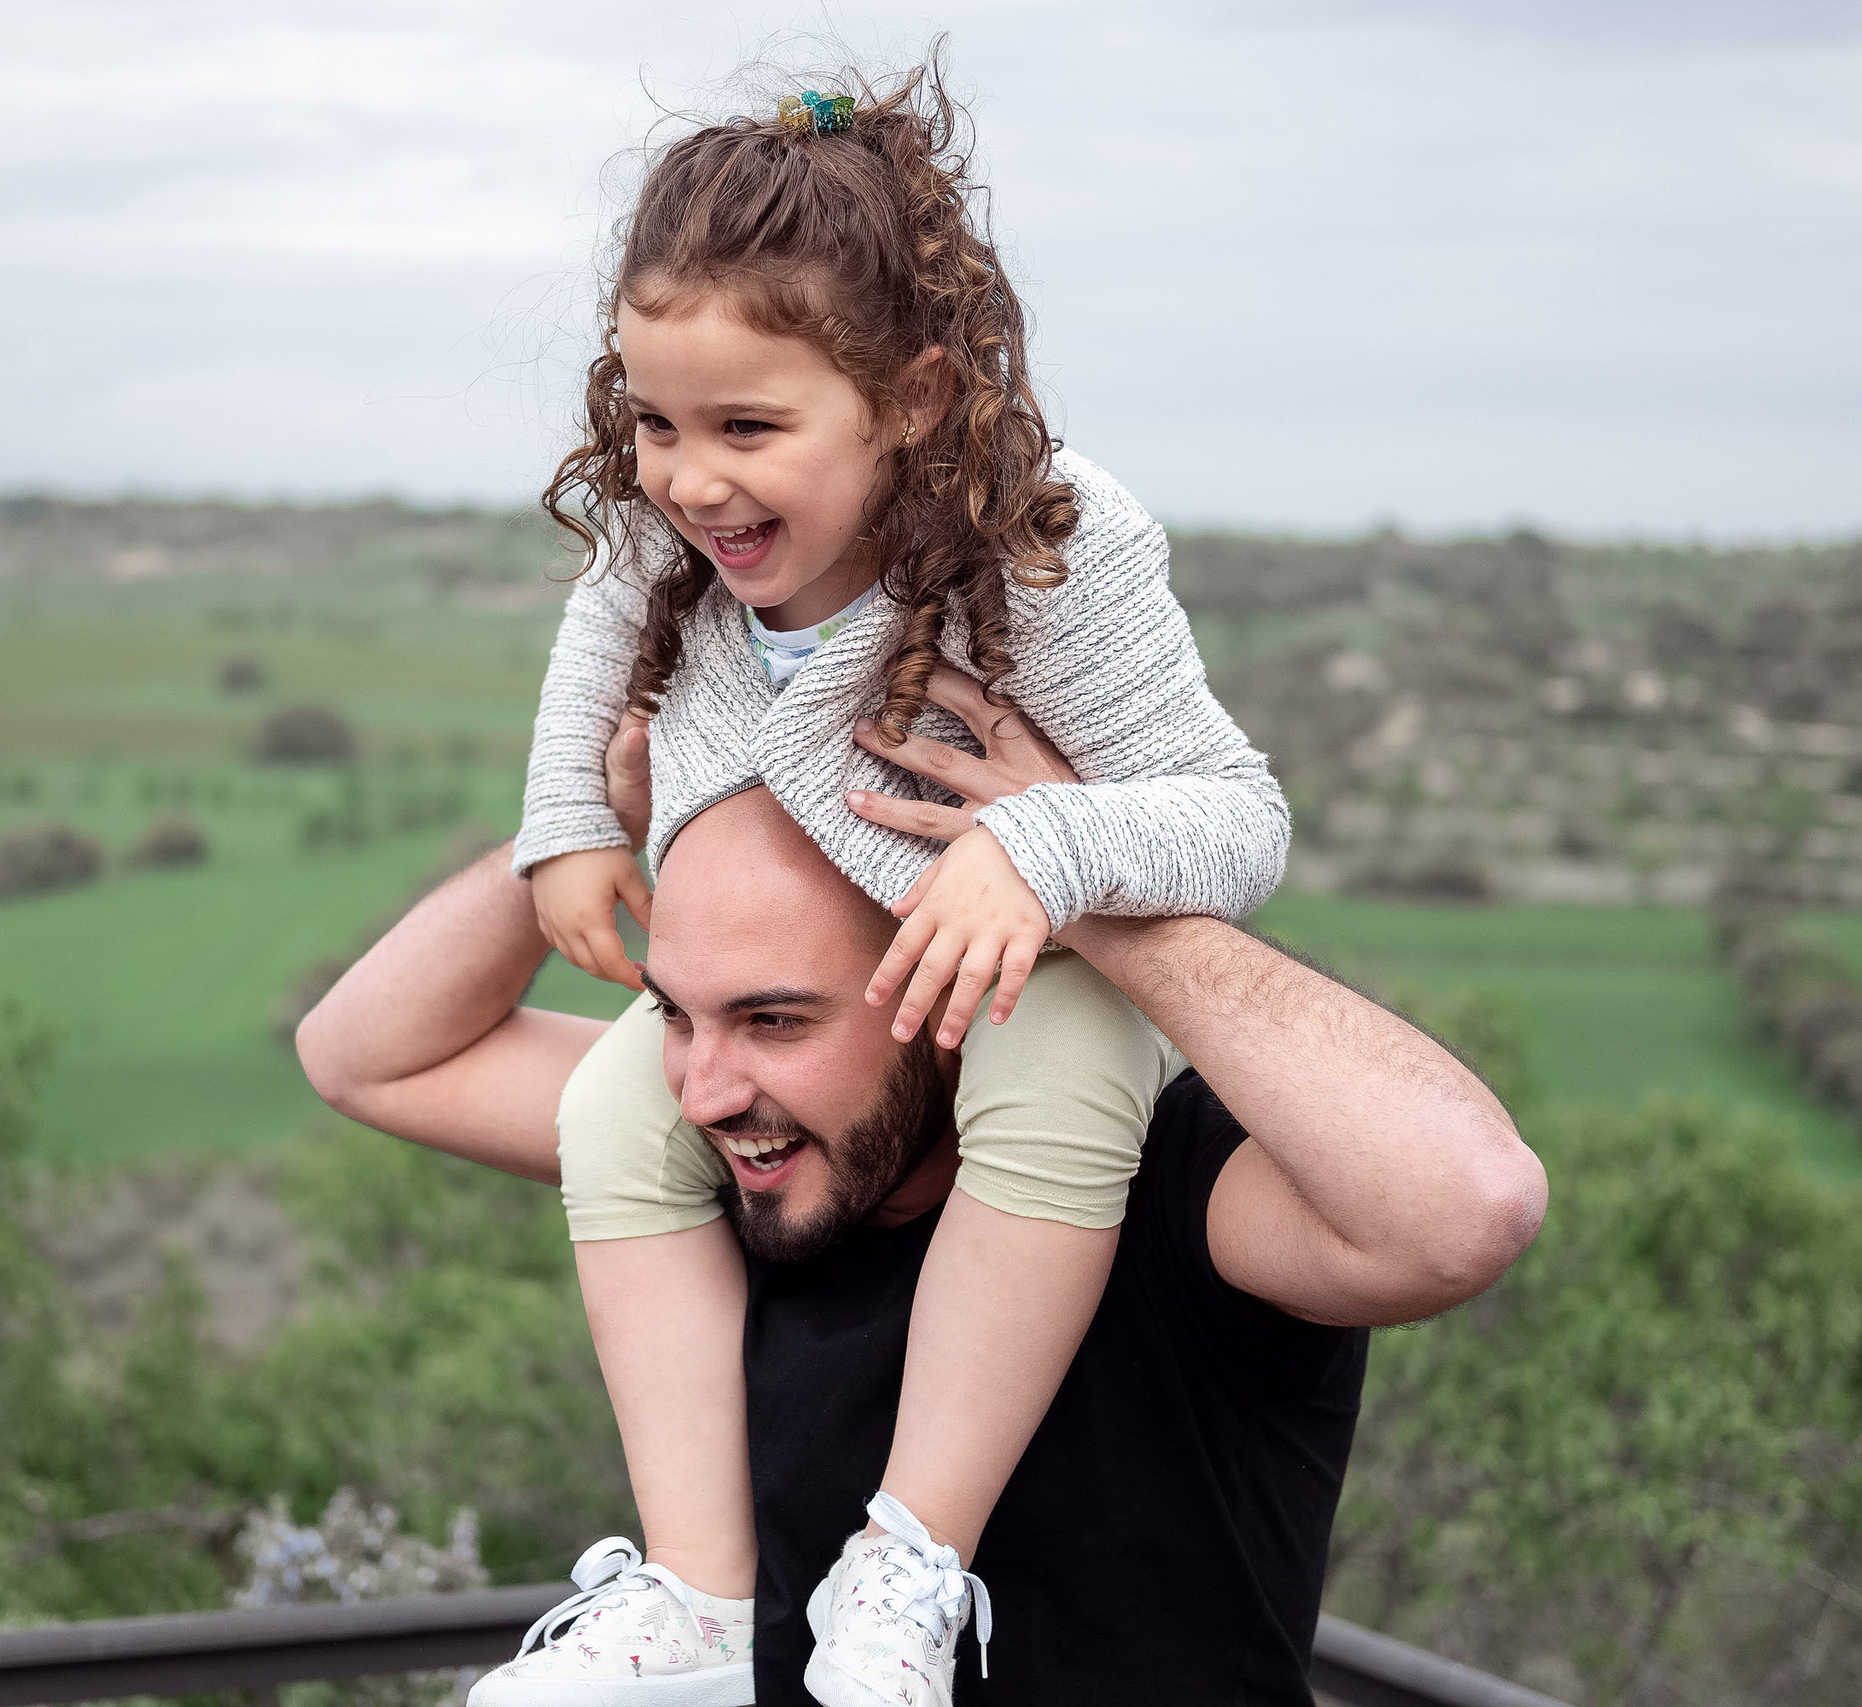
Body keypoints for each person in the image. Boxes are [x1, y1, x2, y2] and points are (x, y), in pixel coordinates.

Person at [506, 56, 1291, 1705]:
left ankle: (911, 1557)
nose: (688, 479)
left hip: (1049, 967)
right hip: (836, 997)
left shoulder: (1055, 548)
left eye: (746, 427)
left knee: (1062, 1066)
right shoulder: (678, 535)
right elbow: (599, 628)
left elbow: (1238, 818)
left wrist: (1039, 847)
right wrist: (570, 822)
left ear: (917, 398)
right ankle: (702, 1607)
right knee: (604, 1107)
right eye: (652, 424)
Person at [296, 682, 1548, 1706]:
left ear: (956, 997)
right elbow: (366, 1055)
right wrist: (589, 813)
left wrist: (1075, 873)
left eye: (775, 1019)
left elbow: (1465, 1208)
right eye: (675, 1014)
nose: (705, 1088)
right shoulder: (750, 1146)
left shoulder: (1181, 1183)